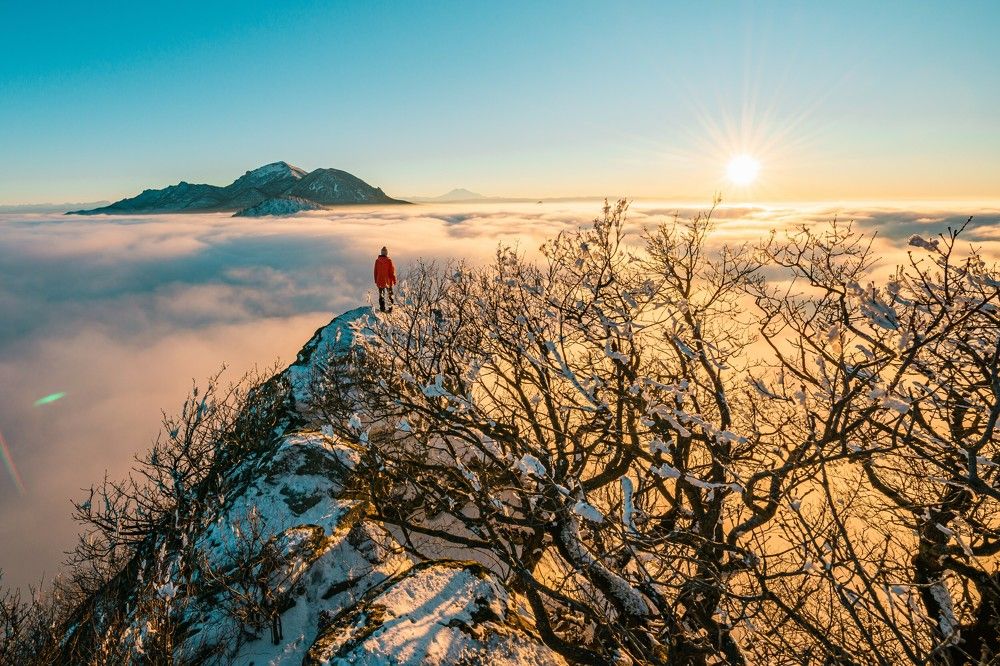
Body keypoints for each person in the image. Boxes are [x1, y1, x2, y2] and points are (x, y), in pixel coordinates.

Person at [373, 246, 396, 312]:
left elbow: (375, 271)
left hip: (379, 280)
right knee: (390, 294)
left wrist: (376, 280)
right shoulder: (389, 261)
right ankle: (390, 308)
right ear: (386, 253)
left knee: (381, 295)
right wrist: (394, 280)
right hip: (388, 281)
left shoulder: (377, 261)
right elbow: (392, 272)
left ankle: (382, 308)